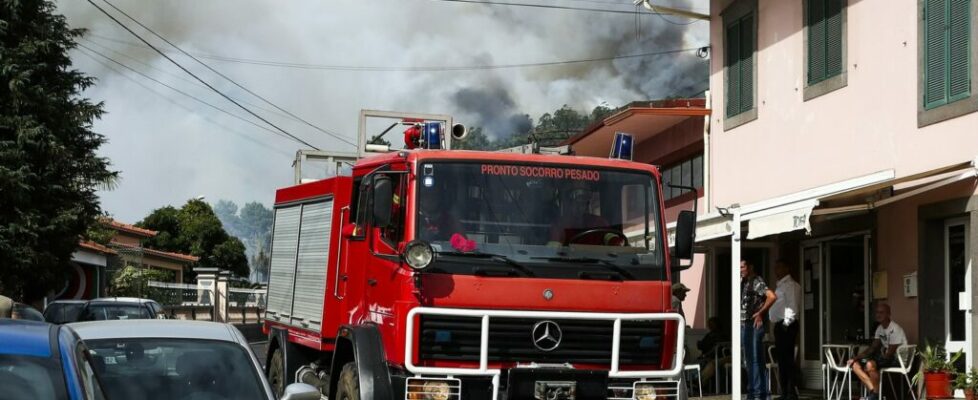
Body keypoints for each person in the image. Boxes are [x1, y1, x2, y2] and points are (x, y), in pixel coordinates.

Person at [848, 303, 907, 400]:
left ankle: (874, 396)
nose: (878, 315)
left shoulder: (895, 329)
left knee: (870, 365)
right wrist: (855, 358)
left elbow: (890, 353)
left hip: (898, 359)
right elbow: (872, 348)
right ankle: (874, 394)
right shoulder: (879, 329)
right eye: (877, 312)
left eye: (881, 312)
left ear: (888, 314)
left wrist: (871, 361)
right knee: (854, 365)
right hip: (886, 357)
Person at [741, 260, 777, 400]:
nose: (740, 270)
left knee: (753, 360)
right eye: (738, 268)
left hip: (752, 325)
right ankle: (761, 392)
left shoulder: (756, 281)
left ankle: (755, 393)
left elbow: (772, 296)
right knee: (754, 360)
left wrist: (760, 313)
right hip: (745, 324)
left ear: (750, 267)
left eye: (743, 267)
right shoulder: (744, 282)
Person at [769, 260, 802, 400]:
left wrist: (785, 324)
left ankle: (791, 392)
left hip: (787, 325)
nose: (776, 270)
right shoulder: (780, 285)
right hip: (780, 324)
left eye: (780, 267)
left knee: (787, 359)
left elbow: (792, 306)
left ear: (787, 268)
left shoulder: (791, 285)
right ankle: (784, 392)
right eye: (775, 268)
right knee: (782, 359)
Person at [548, 184, 618, 246]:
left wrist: (615, 241)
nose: (579, 207)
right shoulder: (559, 224)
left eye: (582, 203)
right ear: (568, 203)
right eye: (575, 203)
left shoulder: (599, 223)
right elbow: (554, 247)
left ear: (587, 204)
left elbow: (613, 241)